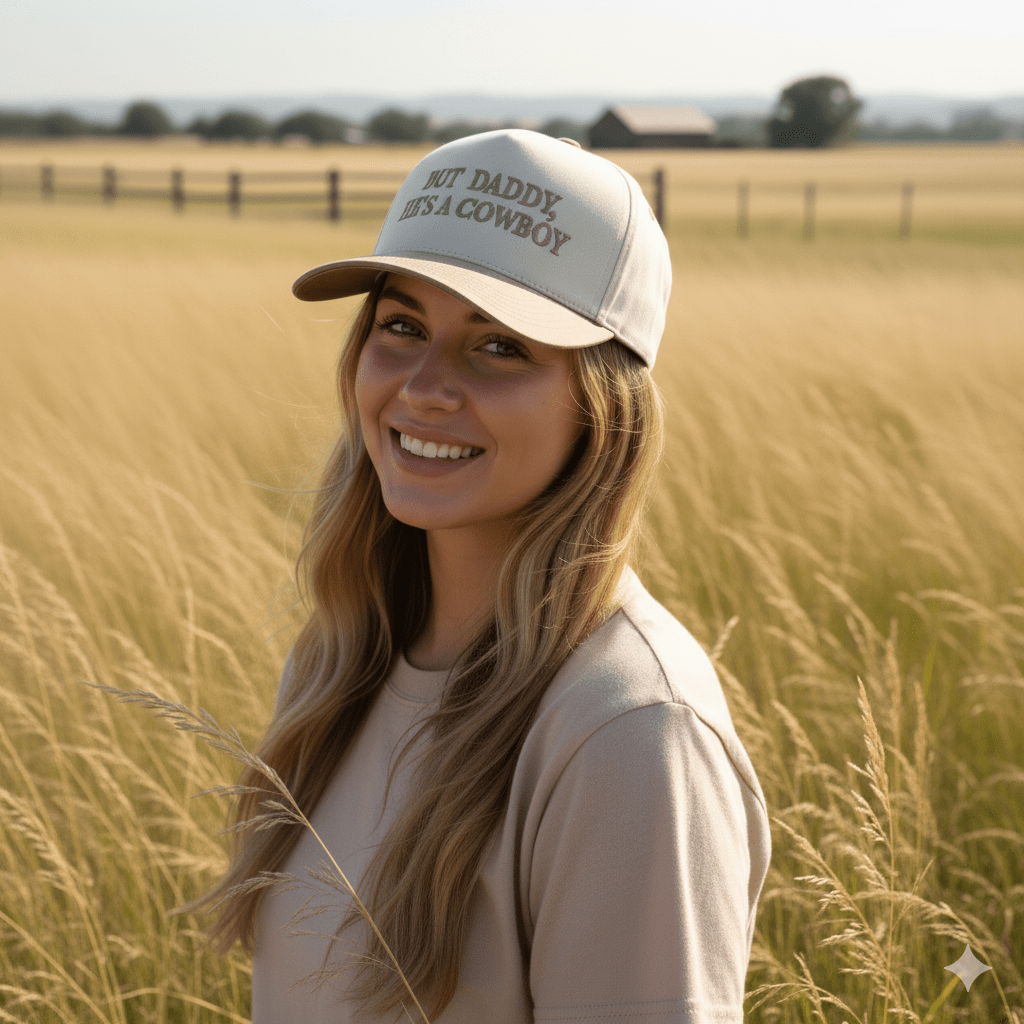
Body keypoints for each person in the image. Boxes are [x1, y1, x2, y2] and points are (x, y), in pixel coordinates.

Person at [192, 129, 771, 1023]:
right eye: (401, 326)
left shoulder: (627, 735)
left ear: (603, 405)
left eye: (499, 346)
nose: (424, 386)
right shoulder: (338, 665)